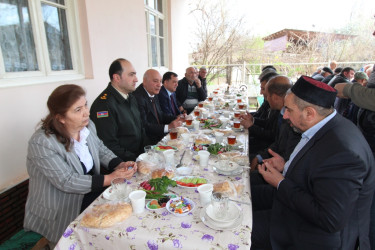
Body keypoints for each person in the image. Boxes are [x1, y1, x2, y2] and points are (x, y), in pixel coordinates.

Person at [251, 76, 375, 250]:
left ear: (310, 113)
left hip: (312, 236)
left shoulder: (343, 151)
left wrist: (280, 182)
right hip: (294, 213)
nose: (285, 116)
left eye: (289, 110)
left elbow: (329, 219)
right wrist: (285, 166)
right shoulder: (326, 125)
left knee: (236, 229)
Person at [24, 85, 137, 246]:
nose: (86, 112)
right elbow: (66, 181)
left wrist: (120, 164)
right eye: (78, 109)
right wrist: (110, 178)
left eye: (85, 105)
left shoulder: (87, 125)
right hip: (60, 209)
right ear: (60, 117)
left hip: (89, 195)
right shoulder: (42, 143)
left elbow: (100, 149)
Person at [90, 58, 148, 161]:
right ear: (117, 77)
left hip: (139, 157)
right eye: (131, 75)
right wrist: (136, 159)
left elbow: (140, 129)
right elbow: (108, 145)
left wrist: (148, 152)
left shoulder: (131, 97)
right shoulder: (104, 105)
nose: (136, 79)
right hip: (123, 164)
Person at [133, 69, 184, 144]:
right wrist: (169, 127)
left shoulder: (153, 92)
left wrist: (177, 118)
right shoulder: (137, 97)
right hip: (147, 141)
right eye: (155, 81)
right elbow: (144, 126)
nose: (159, 85)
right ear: (144, 81)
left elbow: (161, 115)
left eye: (160, 81)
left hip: (159, 135)